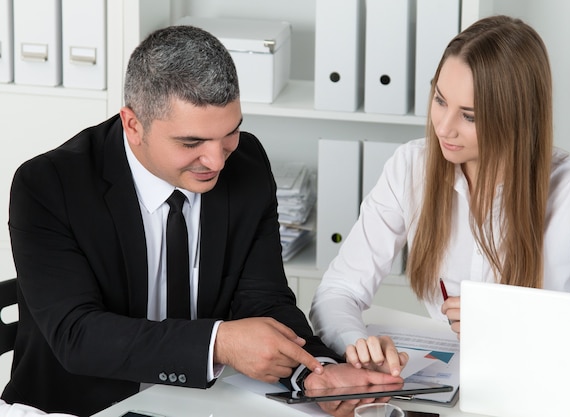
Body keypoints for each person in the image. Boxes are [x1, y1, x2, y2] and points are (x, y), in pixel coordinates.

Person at [3, 25, 402, 417]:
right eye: (191, 143)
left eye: (230, 133)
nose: (216, 161)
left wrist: (314, 371)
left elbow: (264, 300)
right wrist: (218, 344)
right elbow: (78, 335)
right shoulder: (48, 186)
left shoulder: (245, 163)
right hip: (79, 407)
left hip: (203, 402)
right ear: (133, 124)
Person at [310, 15, 570, 376]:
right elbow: (337, 292)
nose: (443, 127)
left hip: (534, 388)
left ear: (515, 117)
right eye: (440, 100)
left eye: (469, 116)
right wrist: (357, 344)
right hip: (441, 391)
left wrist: (514, 323)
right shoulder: (410, 167)